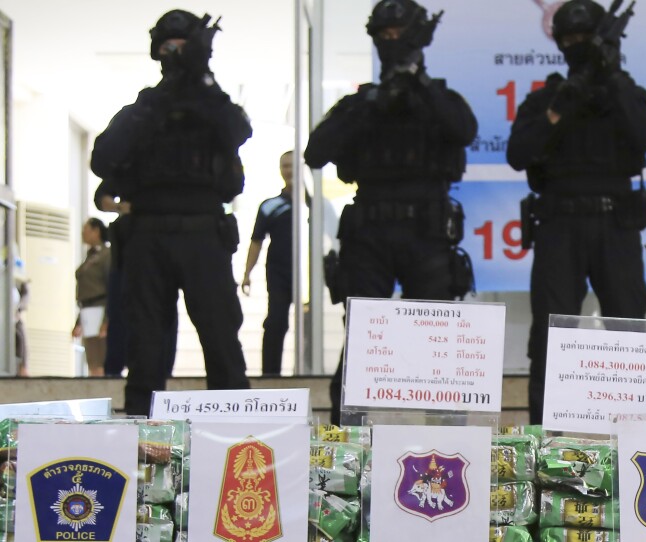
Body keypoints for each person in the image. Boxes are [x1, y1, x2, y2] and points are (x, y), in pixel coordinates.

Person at [304, 0, 478, 424]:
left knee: (438, 340)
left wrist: (419, 86)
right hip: (370, 232)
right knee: (363, 339)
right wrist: (373, 101)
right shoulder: (361, 101)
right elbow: (316, 152)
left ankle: (449, 438)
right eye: (386, 35)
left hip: (429, 231)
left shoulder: (441, 98)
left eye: (401, 34)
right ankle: (345, 439)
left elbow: (464, 130)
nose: (393, 42)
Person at [90, 9, 253, 415]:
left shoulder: (215, 106)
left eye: (184, 48)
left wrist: (202, 86)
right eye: (168, 48)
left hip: (203, 234)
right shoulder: (145, 106)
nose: (176, 55)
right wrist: (161, 100)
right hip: (147, 236)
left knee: (220, 337)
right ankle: (143, 437)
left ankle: (240, 435)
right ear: (156, 52)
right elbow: (104, 157)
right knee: (145, 342)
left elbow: (239, 131)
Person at [506, 0, 646, 424]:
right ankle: (542, 437)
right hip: (559, 226)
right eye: (568, 39)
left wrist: (612, 79)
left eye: (583, 39)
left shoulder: (627, 93)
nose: (576, 45)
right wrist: (559, 108)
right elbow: (518, 154)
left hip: (616, 225)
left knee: (629, 332)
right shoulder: (544, 100)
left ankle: (641, 436)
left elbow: (645, 137)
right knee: (551, 337)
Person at [95, 182, 178, 378]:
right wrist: (121, 208)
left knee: (164, 310)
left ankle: (163, 370)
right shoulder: (129, 160)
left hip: (165, 245)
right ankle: (115, 369)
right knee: (120, 311)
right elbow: (101, 196)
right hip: (130, 247)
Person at [241, 150, 297, 376]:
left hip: (310, 275)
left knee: (313, 326)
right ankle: (270, 374)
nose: (289, 170)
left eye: (294, 165)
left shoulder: (317, 206)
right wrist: (246, 273)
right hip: (278, 270)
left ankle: (313, 369)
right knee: (276, 321)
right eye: (285, 165)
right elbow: (256, 241)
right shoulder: (270, 206)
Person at [72, 218, 111, 377]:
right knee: (92, 358)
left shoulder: (106, 254)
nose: (83, 233)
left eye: (86, 228)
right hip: (87, 310)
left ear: (96, 231)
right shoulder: (89, 256)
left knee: (99, 358)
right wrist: (78, 321)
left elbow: (110, 287)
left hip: (100, 308)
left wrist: (107, 319)